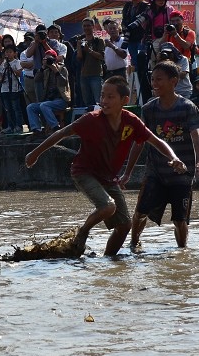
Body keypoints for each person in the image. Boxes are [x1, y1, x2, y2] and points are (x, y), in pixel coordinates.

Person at [25, 75, 187, 257]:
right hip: (83, 172)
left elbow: (156, 141)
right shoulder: (91, 119)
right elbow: (62, 133)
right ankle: (84, 231)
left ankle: (108, 260)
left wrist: (174, 157)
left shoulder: (131, 121)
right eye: (103, 96)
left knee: (125, 225)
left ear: (124, 100)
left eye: (110, 97)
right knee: (108, 207)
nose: (104, 101)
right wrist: (35, 154)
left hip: (108, 178)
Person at [125, 60, 199, 251]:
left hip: (182, 175)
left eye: (159, 80)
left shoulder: (187, 107)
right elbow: (139, 142)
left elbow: (197, 137)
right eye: (153, 79)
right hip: (156, 173)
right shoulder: (148, 109)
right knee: (140, 211)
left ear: (174, 81)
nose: (154, 83)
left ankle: (182, 251)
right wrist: (127, 173)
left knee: (180, 220)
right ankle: (133, 243)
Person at [26, 49, 70, 135]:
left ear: (55, 59)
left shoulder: (62, 69)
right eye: (46, 59)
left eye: (49, 59)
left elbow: (63, 83)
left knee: (44, 105)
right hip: (48, 101)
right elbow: (36, 80)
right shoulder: (45, 71)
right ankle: (37, 130)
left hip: (61, 100)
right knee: (31, 107)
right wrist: (42, 68)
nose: (48, 61)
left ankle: (55, 127)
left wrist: (55, 71)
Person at [121, 0, 151, 102]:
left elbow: (144, 19)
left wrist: (133, 25)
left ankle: (143, 74)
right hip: (130, 38)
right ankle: (137, 75)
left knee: (141, 58)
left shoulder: (145, 6)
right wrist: (125, 28)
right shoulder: (127, 6)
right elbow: (124, 19)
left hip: (141, 37)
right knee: (134, 60)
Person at [0, 43, 26, 134]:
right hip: (4, 88)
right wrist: (1, 79)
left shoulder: (17, 62)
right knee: (8, 109)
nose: (8, 54)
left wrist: (11, 69)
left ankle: (18, 126)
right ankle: (10, 126)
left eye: (10, 52)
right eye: (6, 52)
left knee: (16, 108)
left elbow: (20, 74)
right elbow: (0, 76)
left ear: (14, 53)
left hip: (14, 88)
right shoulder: (3, 63)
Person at [75, 18, 106, 109]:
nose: (86, 28)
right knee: (87, 102)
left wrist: (89, 50)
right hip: (84, 75)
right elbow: (79, 58)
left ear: (93, 27)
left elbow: (101, 56)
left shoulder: (99, 41)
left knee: (99, 101)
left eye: (88, 25)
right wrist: (79, 47)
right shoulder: (81, 41)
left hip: (96, 74)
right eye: (84, 26)